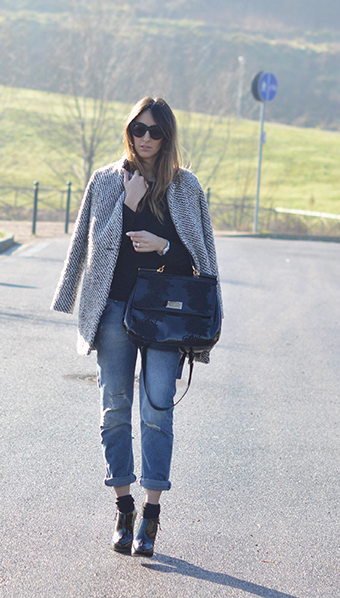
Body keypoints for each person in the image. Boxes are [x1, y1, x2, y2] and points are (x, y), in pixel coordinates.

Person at [51, 97, 221, 557]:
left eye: (155, 131)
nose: (145, 138)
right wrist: (127, 206)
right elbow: (92, 246)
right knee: (114, 408)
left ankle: (151, 514)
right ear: (129, 131)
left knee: (157, 410)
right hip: (113, 309)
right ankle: (123, 508)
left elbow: (201, 259)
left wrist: (164, 246)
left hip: (165, 316)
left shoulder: (185, 187)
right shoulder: (106, 180)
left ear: (167, 136)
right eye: (138, 129)